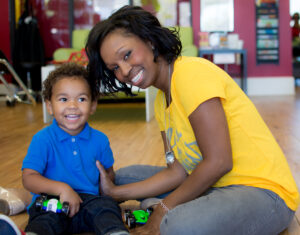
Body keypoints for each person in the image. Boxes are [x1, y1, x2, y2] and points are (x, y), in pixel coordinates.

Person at [85, 5, 300, 235]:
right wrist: (115, 193)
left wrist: (164, 210)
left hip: (263, 193)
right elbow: (176, 171)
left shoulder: (190, 74)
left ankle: (165, 212)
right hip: (217, 187)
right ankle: (168, 209)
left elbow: (219, 162)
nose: (125, 71)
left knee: (177, 225)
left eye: (127, 55)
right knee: (125, 176)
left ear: (149, 41)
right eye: (115, 68)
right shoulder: (161, 100)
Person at [21, 63, 128, 235]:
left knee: (106, 208)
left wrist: (108, 181)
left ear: (93, 105)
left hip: (88, 201)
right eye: (63, 99)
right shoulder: (43, 139)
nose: (72, 105)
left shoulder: (100, 140)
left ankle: (116, 232)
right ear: (49, 106)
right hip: (52, 201)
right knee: (45, 218)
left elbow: (108, 173)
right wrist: (63, 189)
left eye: (81, 99)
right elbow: (28, 179)